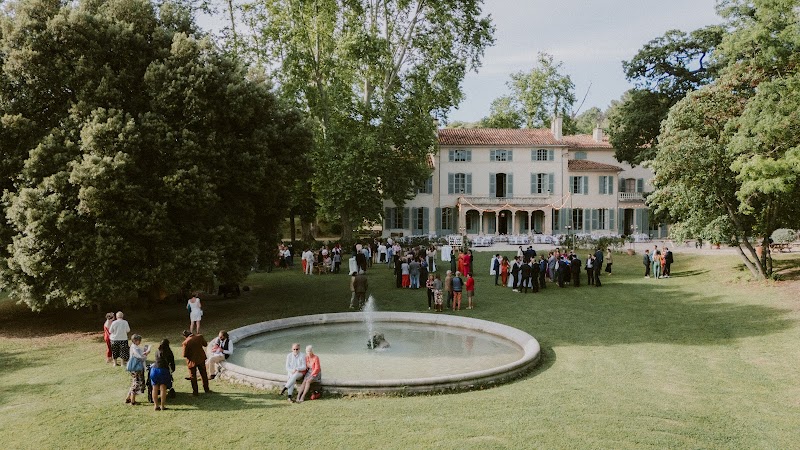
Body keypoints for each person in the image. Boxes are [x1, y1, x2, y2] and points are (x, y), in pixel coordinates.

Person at [182, 330, 210, 396]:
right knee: (204, 374)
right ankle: (206, 389)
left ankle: (195, 392)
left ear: (185, 336)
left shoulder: (185, 342)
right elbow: (205, 344)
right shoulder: (199, 337)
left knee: (193, 376)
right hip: (201, 358)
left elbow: (184, 355)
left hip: (192, 361)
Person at [149, 339, 175, 411]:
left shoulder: (157, 351)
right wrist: (172, 370)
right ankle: (162, 406)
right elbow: (172, 363)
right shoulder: (168, 352)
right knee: (163, 388)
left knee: (154, 388)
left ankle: (156, 405)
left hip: (154, 370)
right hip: (163, 370)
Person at [125, 334, 150, 405]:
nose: (140, 342)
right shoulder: (135, 348)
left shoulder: (134, 347)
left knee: (134, 382)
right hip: (137, 368)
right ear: (135, 341)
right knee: (137, 383)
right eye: (139, 340)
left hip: (134, 368)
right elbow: (140, 357)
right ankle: (133, 401)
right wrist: (146, 353)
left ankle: (128, 398)